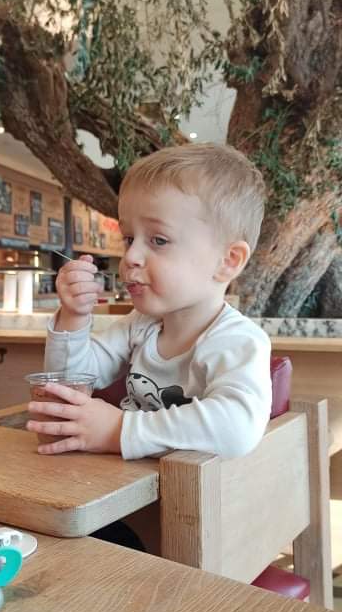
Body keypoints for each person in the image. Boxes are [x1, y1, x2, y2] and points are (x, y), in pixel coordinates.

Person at [27, 143, 272, 550]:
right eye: (129, 238)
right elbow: (70, 384)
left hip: (195, 525)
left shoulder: (237, 341)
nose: (131, 257)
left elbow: (237, 426)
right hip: (126, 504)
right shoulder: (139, 325)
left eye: (158, 240)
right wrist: (74, 317)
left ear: (228, 260)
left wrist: (118, 431)